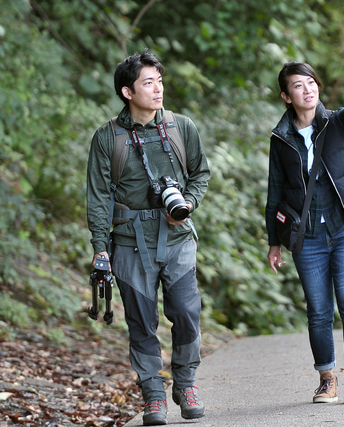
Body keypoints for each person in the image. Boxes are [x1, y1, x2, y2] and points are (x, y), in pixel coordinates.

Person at [86, 50, 211, 426]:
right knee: (141, 322)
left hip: (177, 239)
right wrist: (99, 249)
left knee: (187, 314)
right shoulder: (108, 137)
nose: (157, 89)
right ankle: (153, 394)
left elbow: (200, 173)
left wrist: (186, 203)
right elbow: (99, 196)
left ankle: (185, 383)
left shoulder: (180, 126)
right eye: (148, 83)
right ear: (127, 91)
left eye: (159, 81)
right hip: (128, 242)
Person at [265, 61, 344, 404]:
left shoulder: (335, 123)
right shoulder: (281, 139)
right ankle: (327, 380)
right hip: (307, 236)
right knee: (318, 309)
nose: (308, 89)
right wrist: (274, 240)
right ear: (286, 97)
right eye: (299, 86)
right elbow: (275, 191)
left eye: (311, 83)